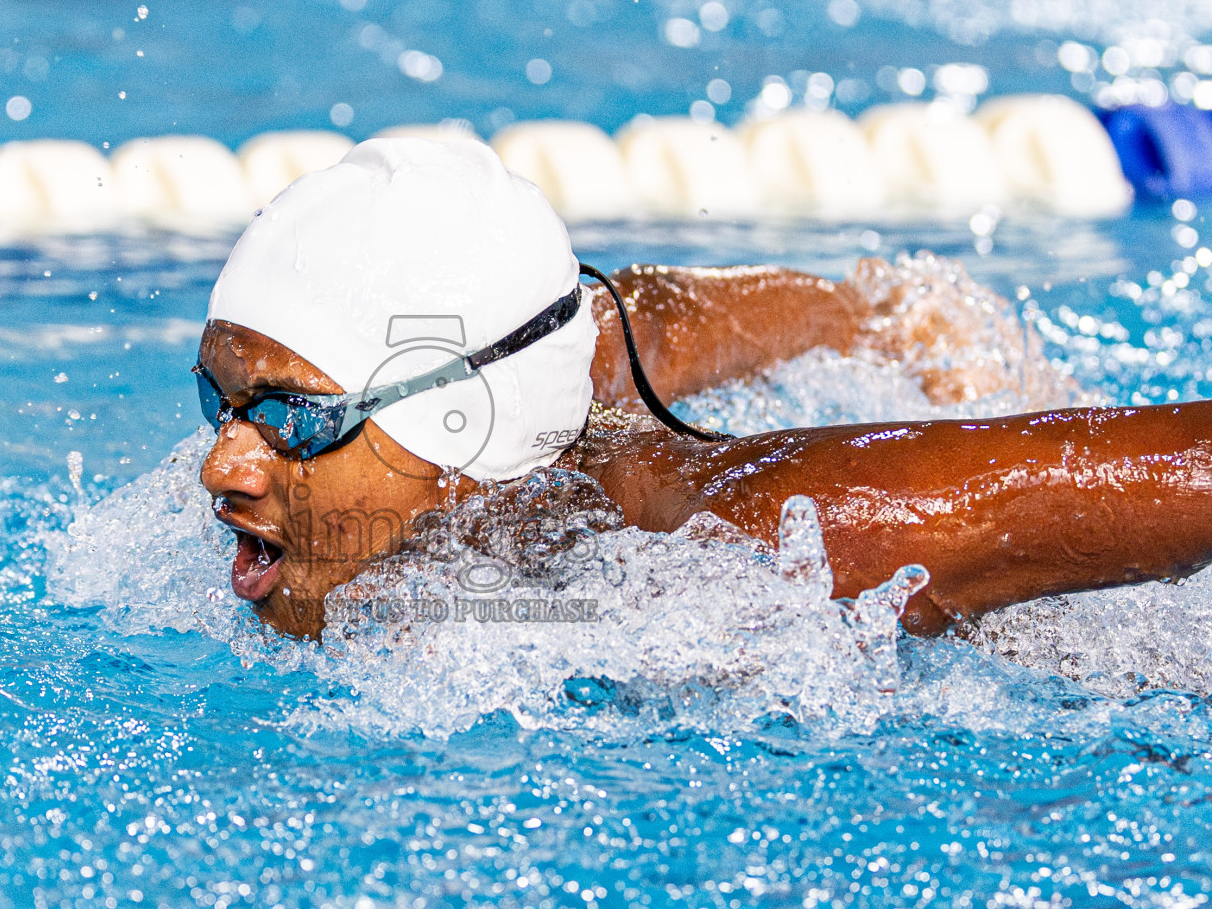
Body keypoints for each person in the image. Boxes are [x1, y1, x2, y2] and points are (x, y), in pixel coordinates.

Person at [197, 137, 1212, 640]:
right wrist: (866, 317)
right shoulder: (545, 366)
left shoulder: (763, 537)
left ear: (458, 428)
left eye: (290, 415)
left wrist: (917, 327)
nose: (219, 463)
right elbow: (637, 311)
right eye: (221, 401)